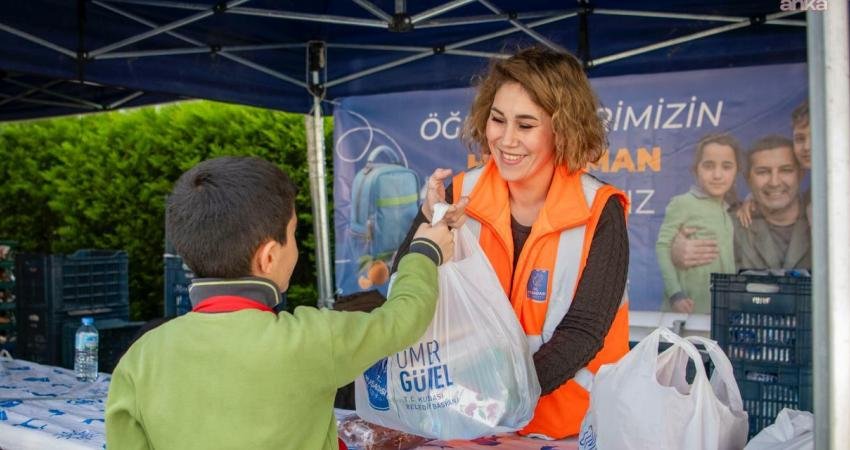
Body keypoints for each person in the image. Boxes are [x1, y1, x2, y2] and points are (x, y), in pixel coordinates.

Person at [105, 156, 454, 450]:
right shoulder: (314, 340)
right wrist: (425, 252)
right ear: (269, 257)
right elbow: (404, 318)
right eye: (292, 234)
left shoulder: (140, 357)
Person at [392, 47, 630, 440]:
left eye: (526, 125)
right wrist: (430, 231)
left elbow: (584, 331)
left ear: (563, 129)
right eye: (497, 120)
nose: (506, 139)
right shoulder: (457, 192)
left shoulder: (599, 210)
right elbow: (406, 290)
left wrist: (497, 399)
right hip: (467, 421)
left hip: (566, 429)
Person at [655, 134, 740, 314]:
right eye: (708, 166)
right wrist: (675, 294)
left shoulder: (727, 210)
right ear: (696, 170)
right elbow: (663, 247)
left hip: (718, 310)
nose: (717, 175)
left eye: (726, 167)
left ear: (736, 172)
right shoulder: (683, 203)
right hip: (687, 312)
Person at [734, 136, 811, 270]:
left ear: (801, 174)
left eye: (785, 170)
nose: (774, 182)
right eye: (763, 172)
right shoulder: (730, 227)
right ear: (748, 179)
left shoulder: (827, 220)